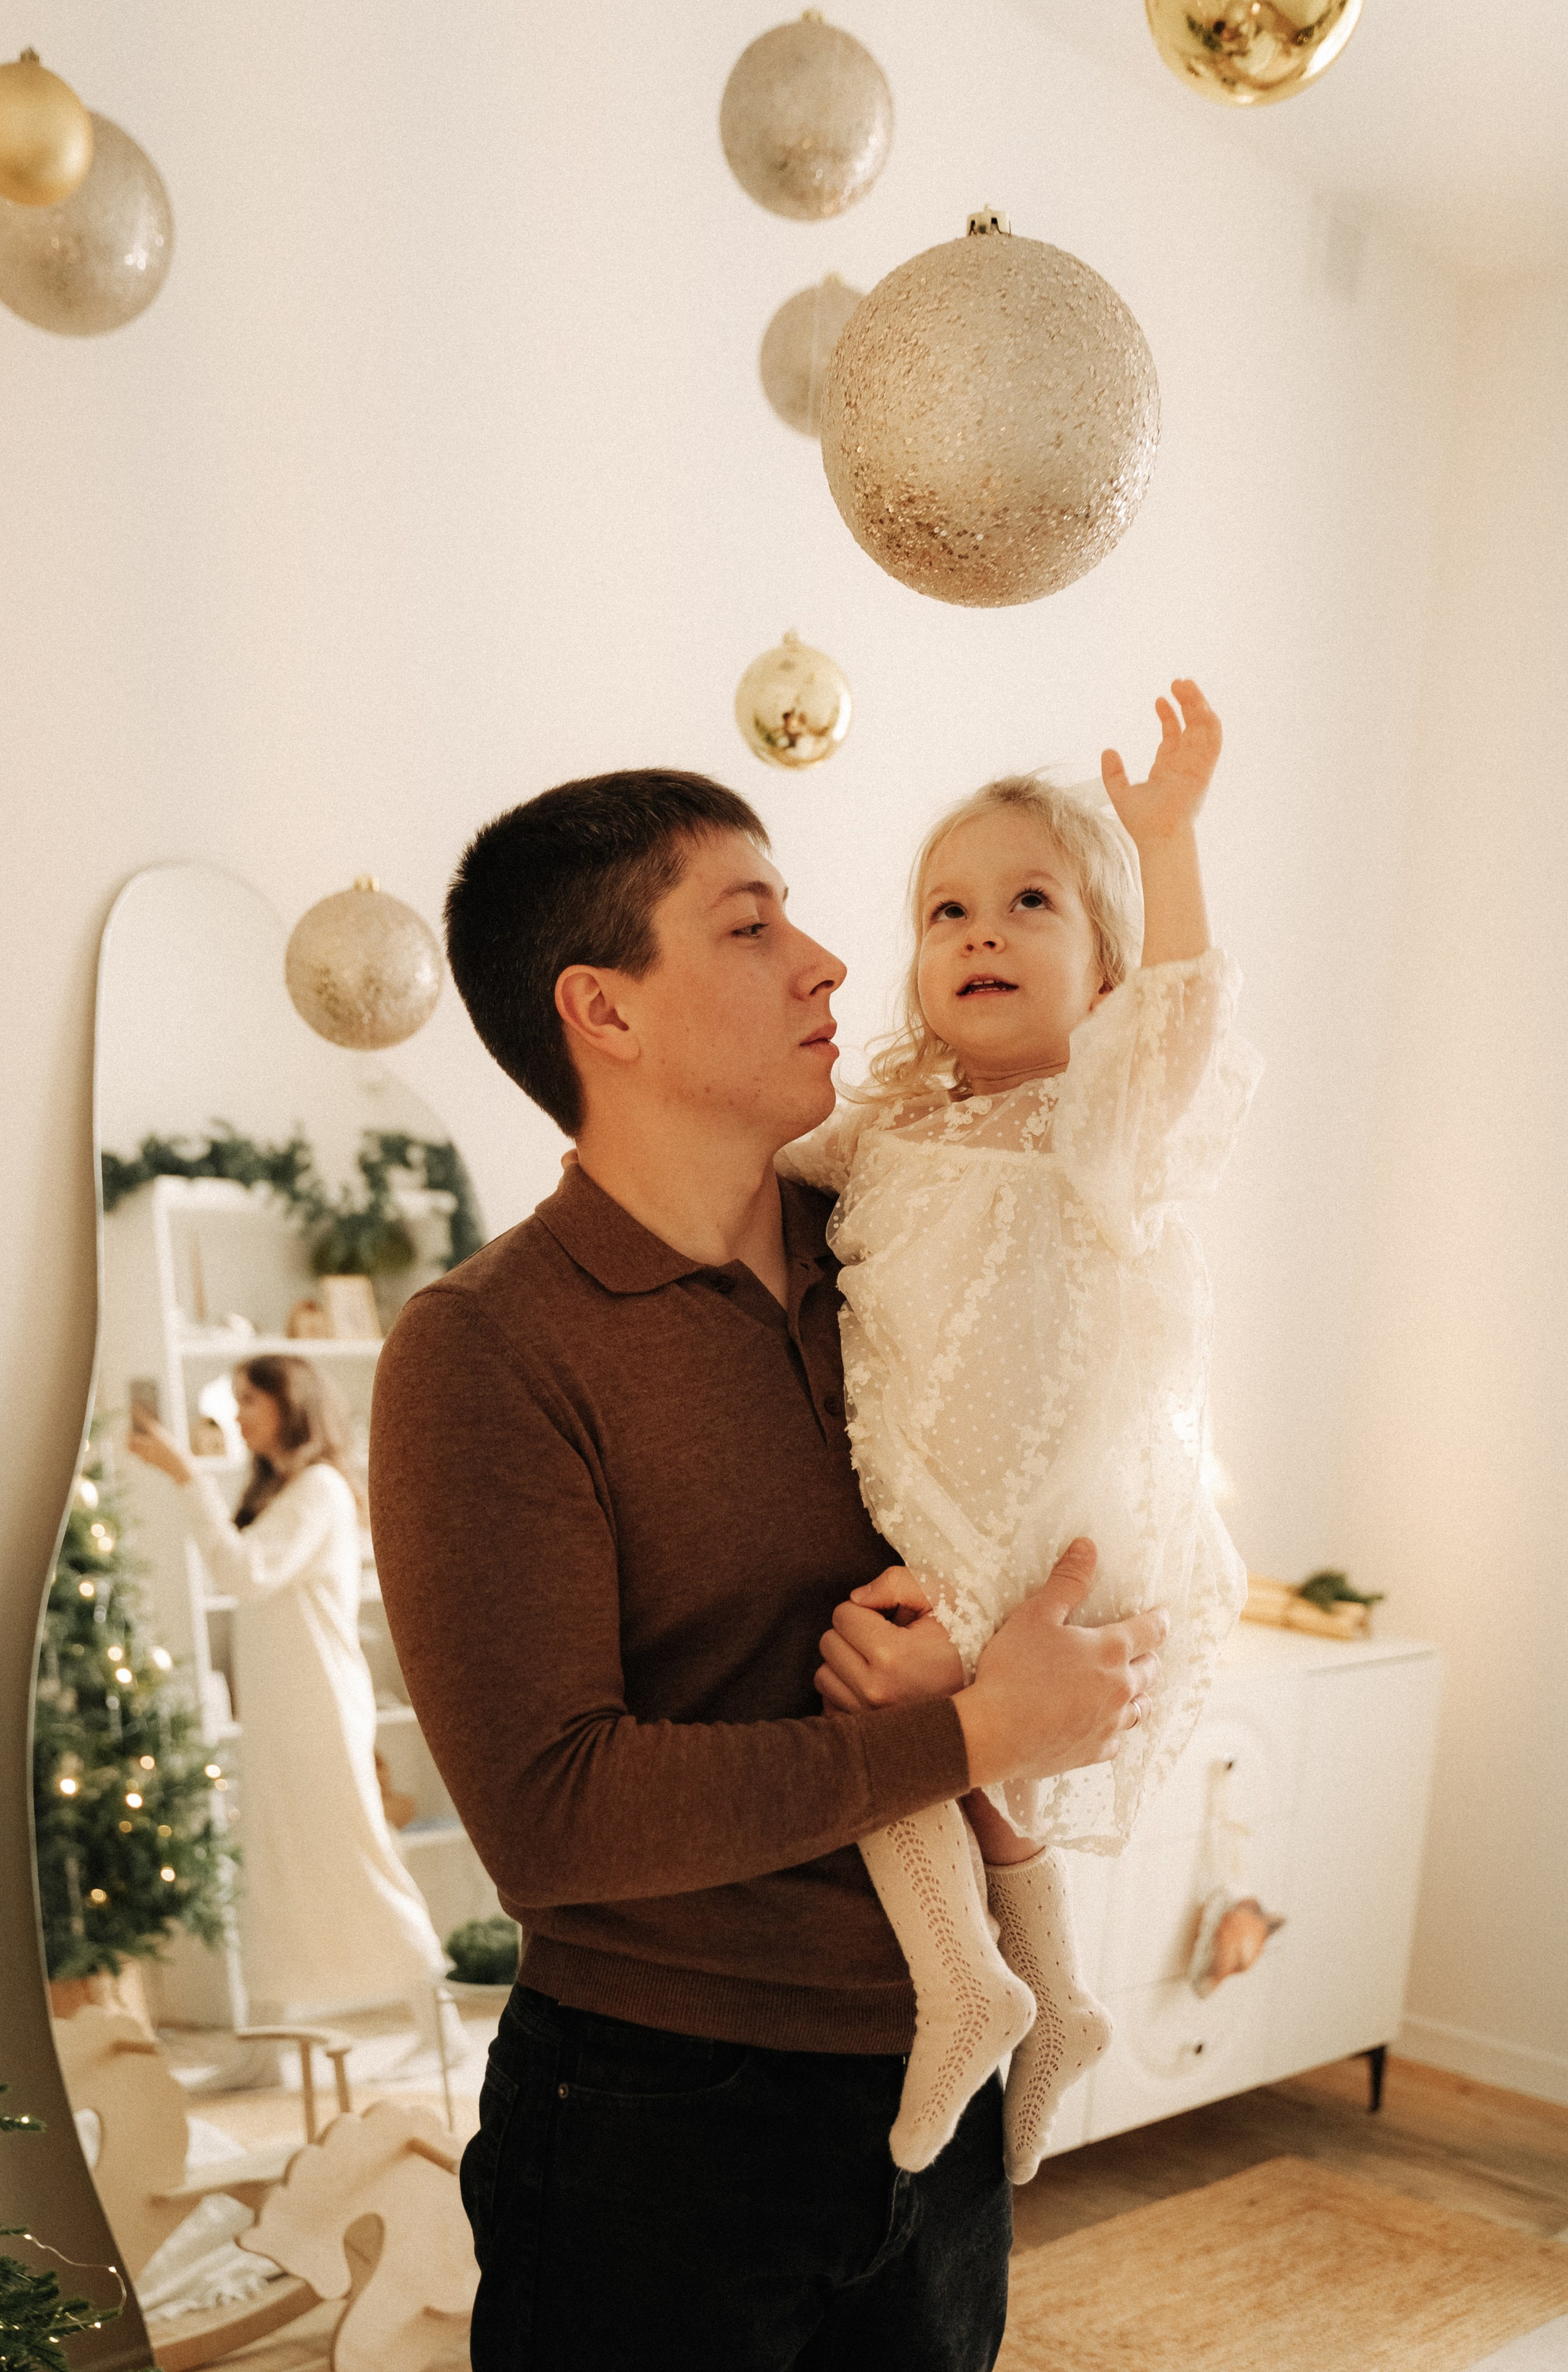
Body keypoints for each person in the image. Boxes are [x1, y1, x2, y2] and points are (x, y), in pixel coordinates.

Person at [367, 769, 1170, 2372]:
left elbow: (1099, 1477)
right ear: (604, 1010)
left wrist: (1052, 1684)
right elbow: (551, 1816)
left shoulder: (908, 1229)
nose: (828, 961)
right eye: (752, 926)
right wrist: (969, 1733)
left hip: (942, 2098)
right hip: (658, 2125)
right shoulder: (486, 1349)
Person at [777, 680, 1260, 2184]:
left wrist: (1164, 841)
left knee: (888, 1714)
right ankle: (1047, 1998)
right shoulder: (887, 1126)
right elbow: (758, 1159)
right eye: (948, 912)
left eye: (1029, 903)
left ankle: (970, 1986)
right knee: (936, 1740)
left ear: (1102, 964)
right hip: (929, 1494)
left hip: (1048, 1520)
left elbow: (1178, 1025)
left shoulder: (1096, 1118)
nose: (980, 934)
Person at [129, 1354, 455, 2057]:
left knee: (360, 1855)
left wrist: (186, 1475)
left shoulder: (321, 1490)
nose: (238, 1413)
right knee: (272, 1868)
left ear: (291, 1404)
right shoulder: (285, 1492)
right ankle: (265, 2054)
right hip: (281, 1714)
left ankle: (442, 2029)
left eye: (251, 1399)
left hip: (318, 1712)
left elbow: (243, 1572)